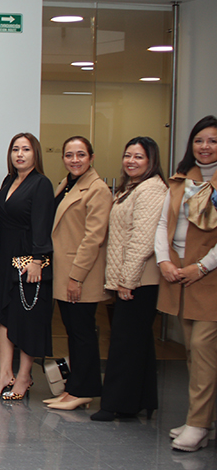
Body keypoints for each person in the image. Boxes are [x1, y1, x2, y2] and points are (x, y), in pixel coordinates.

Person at [92, 137, 167, 422]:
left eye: (139, 157)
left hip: (139, 280)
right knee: (139, 342)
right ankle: (144, 399)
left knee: (124, 342)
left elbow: (142, 241)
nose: (131, 161)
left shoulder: (151, 190)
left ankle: (115, 404)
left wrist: (127, 281)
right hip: (131, 278)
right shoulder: (131, 188)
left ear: (151, 161)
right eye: (128, 156)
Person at [156, 116, 217, 451]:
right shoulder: (181, 181)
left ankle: (198, 423)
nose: (205, 147)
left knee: (204, 351)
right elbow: (162, 224)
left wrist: (202, 267)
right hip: (178, 275)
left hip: (207, 278)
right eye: (199, 140)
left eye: (212, 141)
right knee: (193, 353)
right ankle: (201, 420)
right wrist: (164, 260)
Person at [0, 132, 54, 401]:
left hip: (28, 259)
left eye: (25, 149)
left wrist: (37, 260)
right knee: (3, 316)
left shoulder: (41, 184)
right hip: (4, 257)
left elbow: (42, 224)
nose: (20, 154)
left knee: (25, 319)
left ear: (35, 153)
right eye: (15, 149)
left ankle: (24, 376)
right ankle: (4, 374)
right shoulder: (9, 180)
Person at [45, 136, 111, 411]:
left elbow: (93, 239)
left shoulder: (98, 190)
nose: (74, 160)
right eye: (69, 155)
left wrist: (76, 278)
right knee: (73, 331)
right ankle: (73, 388)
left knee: (82, 332)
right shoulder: (68, 183)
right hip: (64, 270)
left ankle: (83, 390)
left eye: (80, 155)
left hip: (79, 274)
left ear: (91, 158)